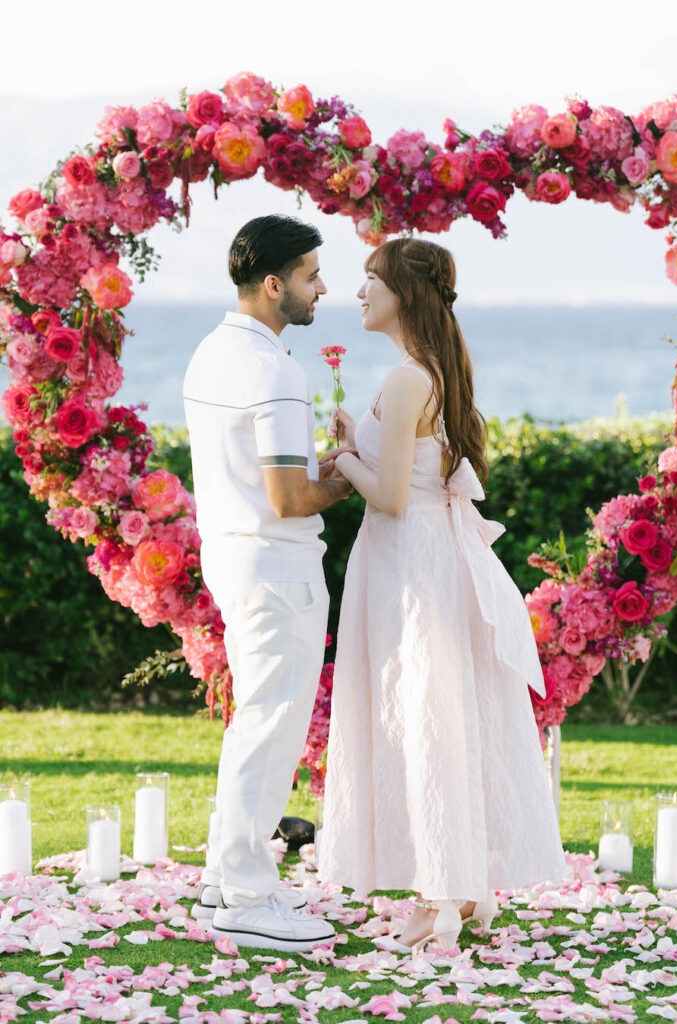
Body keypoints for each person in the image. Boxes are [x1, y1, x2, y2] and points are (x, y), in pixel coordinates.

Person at [317, 237, 567, 953]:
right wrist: (358, 447)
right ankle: (454, 888)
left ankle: (442, 898)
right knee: (441, 718)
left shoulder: (404, 380)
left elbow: (391, 497)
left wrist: (340, 461)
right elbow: (413, 472)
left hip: (410, 564)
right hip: (425, 557)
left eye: (371, 280)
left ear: (403, 291)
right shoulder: (429, 371)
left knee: (426, 722)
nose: (359, 292)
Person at [183, 214, 352, 952]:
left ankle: (224, 882)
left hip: (231, 558)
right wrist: (352, 468)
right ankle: (248, 896)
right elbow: (289, 498)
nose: (322, 288)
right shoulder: (276, 368)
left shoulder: (210, 352)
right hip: (276, 567)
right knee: (269, 728)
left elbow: (261, 480)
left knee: (253, 722)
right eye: (313, 275)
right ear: (275, 283)